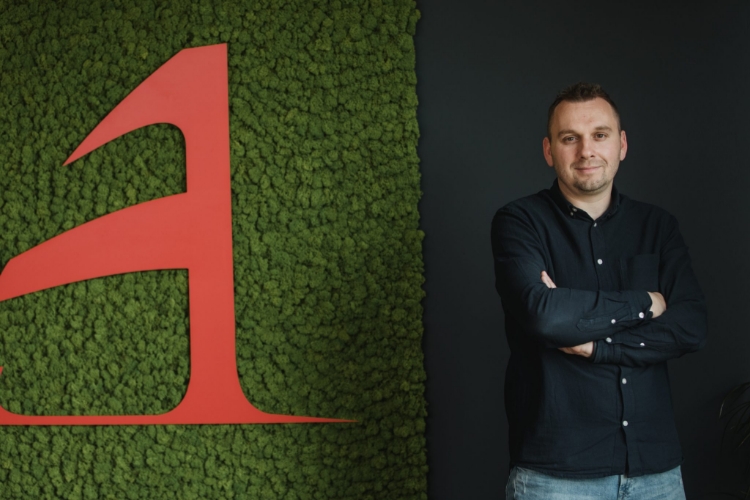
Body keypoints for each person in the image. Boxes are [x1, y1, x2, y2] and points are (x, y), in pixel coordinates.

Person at [491, 82, 707, 500]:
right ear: (549, 150)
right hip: (555, 477)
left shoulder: (658, 227)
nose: (586, 151)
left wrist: (594, 346)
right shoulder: (519, 222)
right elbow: (545, 316)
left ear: (621, 145)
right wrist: (646, 302)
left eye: (600, 135)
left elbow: (691, 326)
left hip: (656, 473)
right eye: (569, 138)